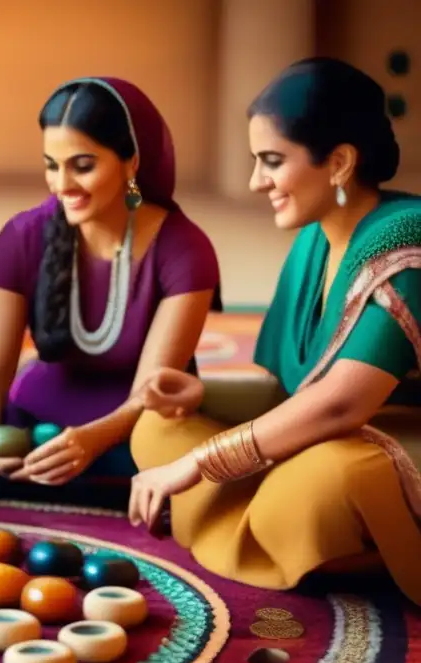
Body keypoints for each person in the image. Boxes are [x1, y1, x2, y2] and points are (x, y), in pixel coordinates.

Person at [128, 57, 421, 607]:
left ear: (338, 162)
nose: (255, 182)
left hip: (390, 443)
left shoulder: (403, 242)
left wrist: (198, 464)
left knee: (321, 479)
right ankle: (285, 537)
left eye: (271, 161)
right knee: (159, 426)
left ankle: (340, 544)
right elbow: (296, 390)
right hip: (341, 428)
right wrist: (205, 394)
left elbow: (338, 408)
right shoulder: (314, 238)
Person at [0, 77, 221, 507]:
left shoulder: (185, 248)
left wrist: (91, 442)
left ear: (131, 163)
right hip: (37, 421)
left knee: (178, 472)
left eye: (82, 166)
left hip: (137, 427)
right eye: (51, 165)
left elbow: (151, 391)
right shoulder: (20, 237)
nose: (62, 184)